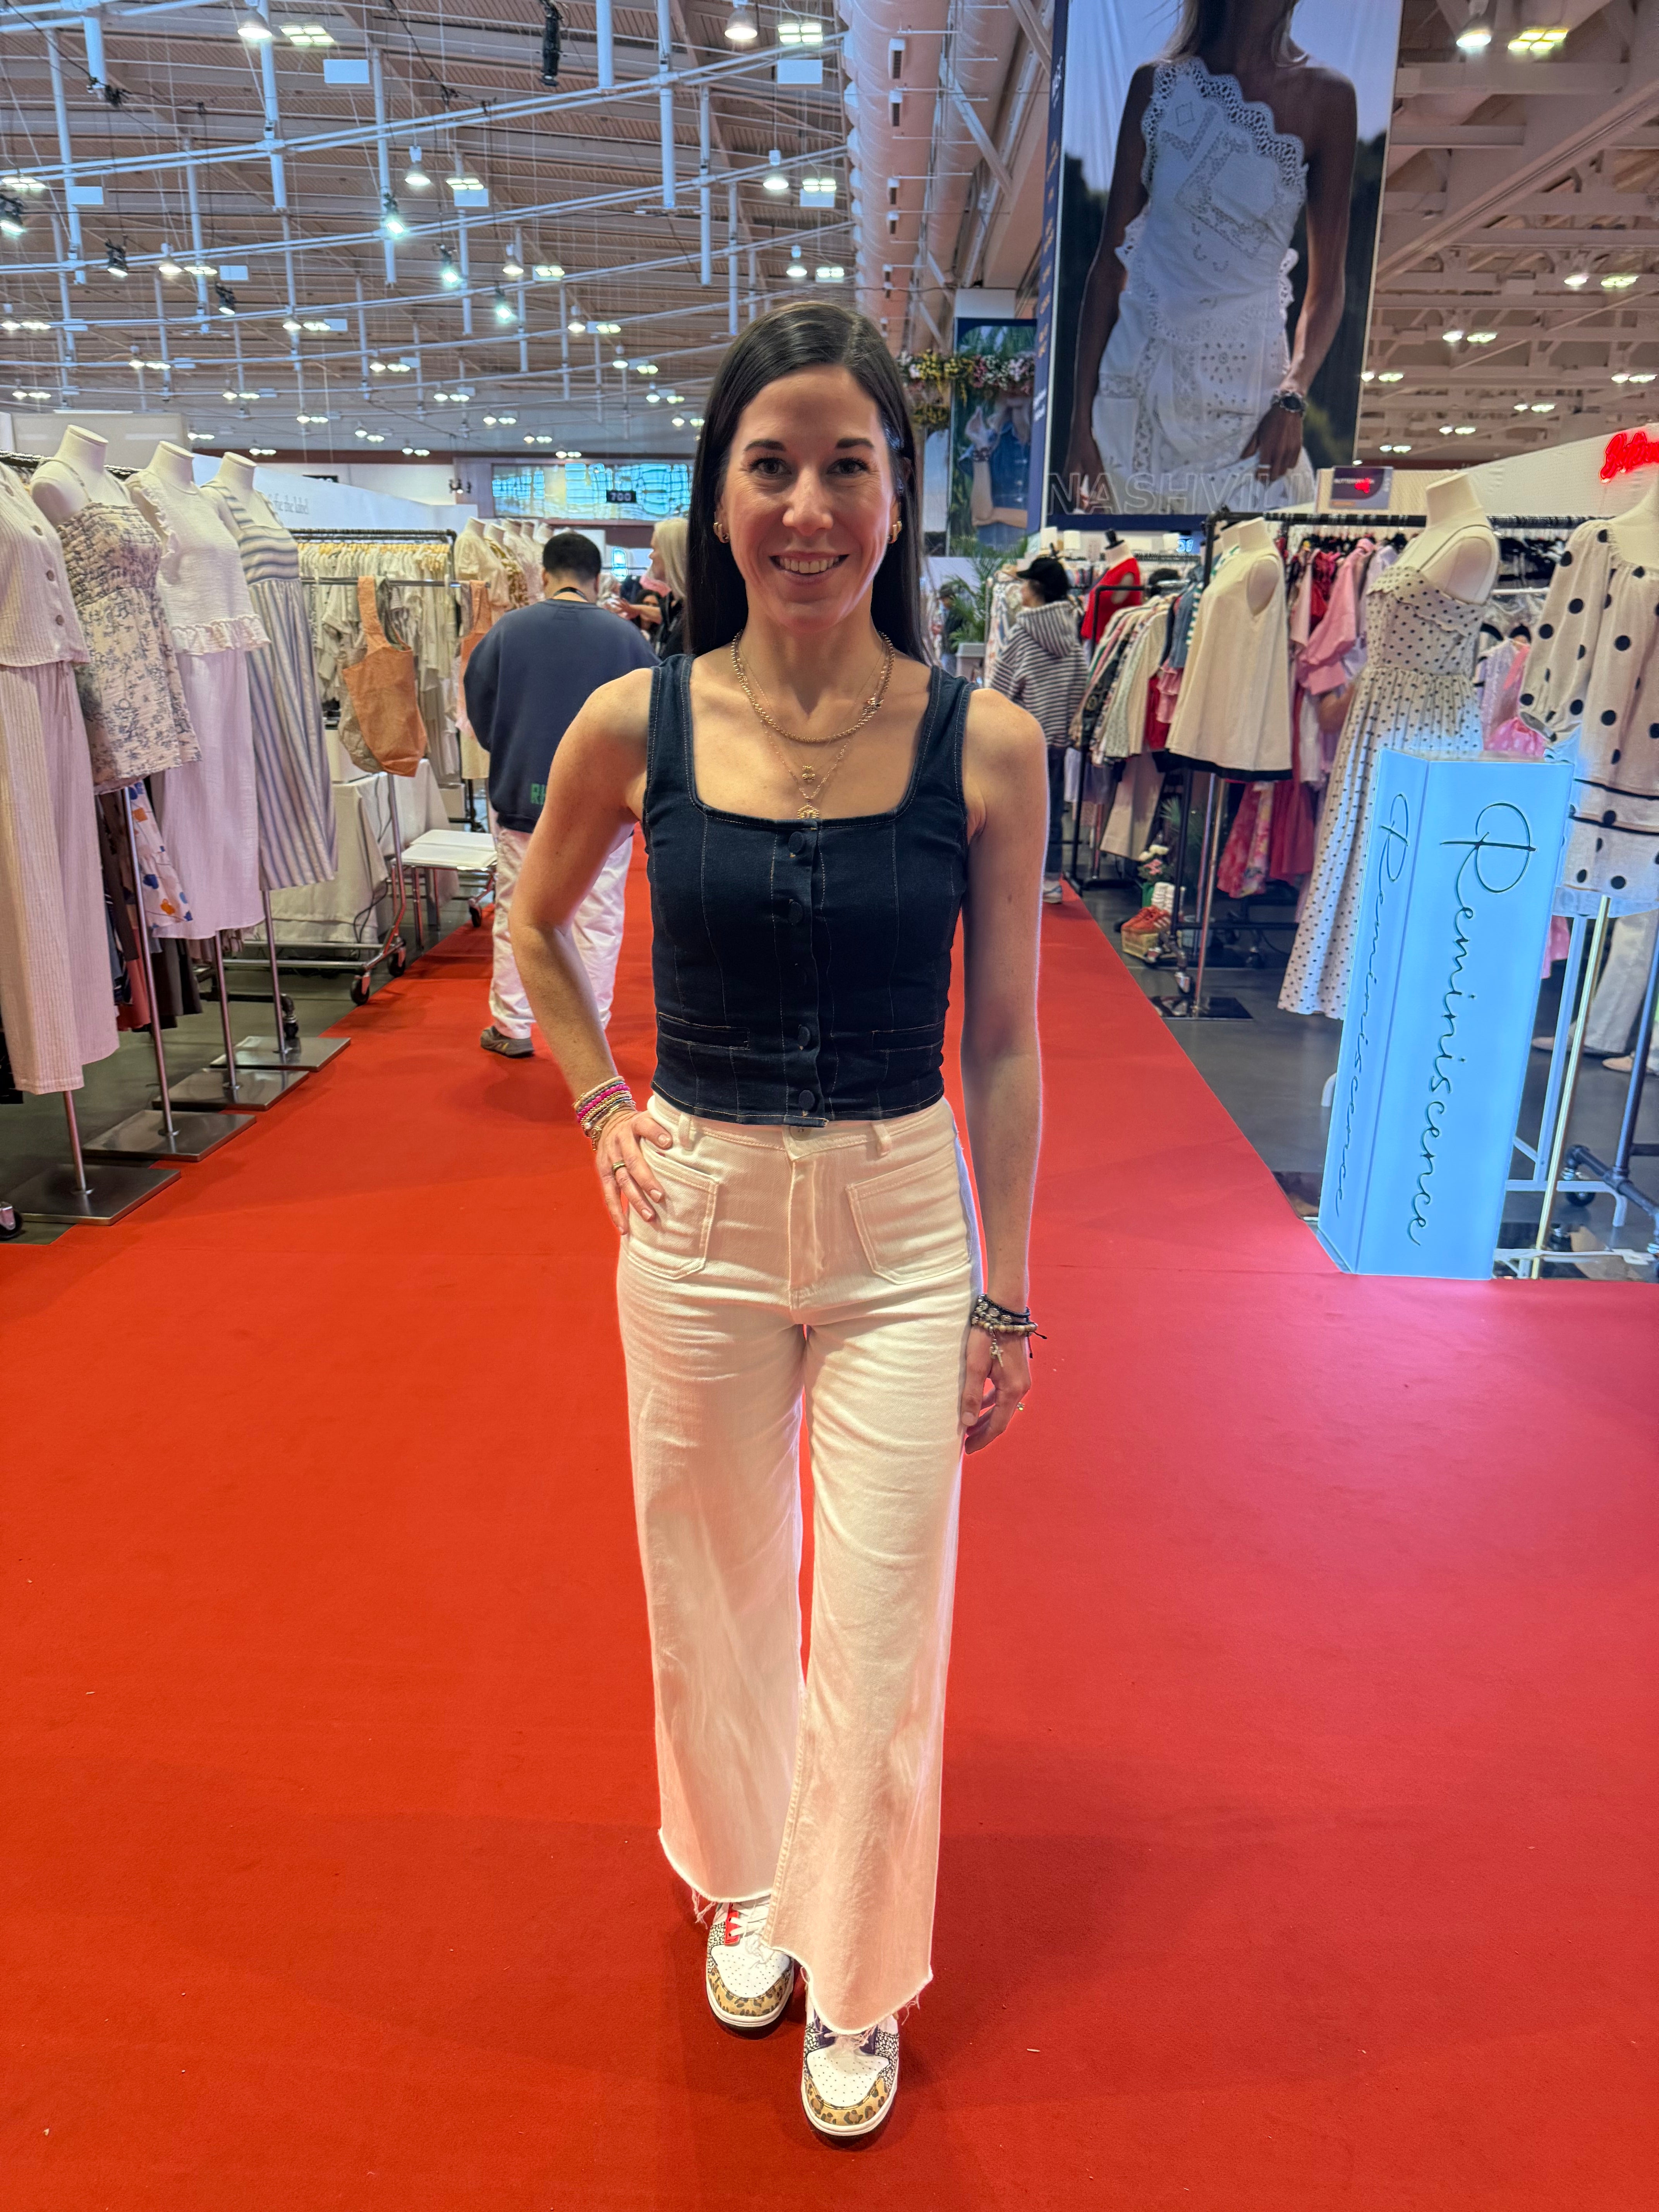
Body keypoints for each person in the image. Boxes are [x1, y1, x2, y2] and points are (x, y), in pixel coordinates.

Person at [508, 301, 1047, 2139]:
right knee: (714, 1592)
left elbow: (1007, 1043)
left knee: (886, 1628)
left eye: (848, 467)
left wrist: (1010, 1292)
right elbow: (536, 925)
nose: (809, 508)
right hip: (702, 1213)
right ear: (718, 495)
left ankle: (862, 1966)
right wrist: (599, 1099)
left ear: (898, 499)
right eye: (772, 467)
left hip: (903, 1224)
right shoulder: (633, 721)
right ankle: (743, 1876)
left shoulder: (988, 745)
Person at [1062, 0, 1356, 515]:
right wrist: (1079, 427)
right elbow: (1108, 269)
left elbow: (1327, 288)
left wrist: (1294, 395)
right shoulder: (1156, 86)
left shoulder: (1329, 99)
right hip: (1135, 398)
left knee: (1257, 558)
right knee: (1124, 556)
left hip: (1251, 409)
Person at [463, 528, 654, 1058]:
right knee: (597, 917)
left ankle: (512, 1024)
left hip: (523, 794)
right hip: (606, 805)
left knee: (517, 912)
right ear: (597, 579)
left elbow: (480, 707)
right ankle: (592, 1028)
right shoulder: (626, 640)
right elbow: (654, 719)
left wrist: (510, 750)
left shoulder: (508, 631)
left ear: (544, 575)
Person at [990, 553, 1089, 903]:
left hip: (1024, 737)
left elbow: (1001, 685)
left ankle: (1019, 876)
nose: (1020, 591)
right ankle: (1050, 881)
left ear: (1037, 588)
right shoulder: (1070, 629)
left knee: (1016, 811)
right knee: (1053, 810)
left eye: (1025, 585)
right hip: (1057, 739)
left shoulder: (1023, 631)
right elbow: (1081, 680)